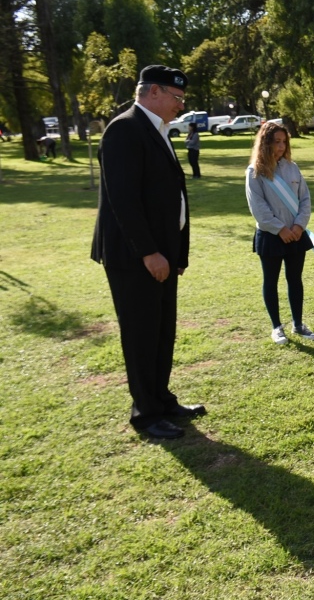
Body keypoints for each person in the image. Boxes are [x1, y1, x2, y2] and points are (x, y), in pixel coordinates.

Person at [90, 64, 205, 440]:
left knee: (162, 331)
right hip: (135, 257)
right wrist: (150, 253)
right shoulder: (124, 129)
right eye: (177, 97)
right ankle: (146, 413)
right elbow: (124, 202)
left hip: (162, 255)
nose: (180, 105)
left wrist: (177, 254)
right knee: (141, 334)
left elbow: (171, 195)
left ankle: (161, 399)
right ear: (153, 92)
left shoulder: (156, 129)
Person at [246, 121, 314, 345]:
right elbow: (258, 207)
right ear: (265, 143)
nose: (281, 146)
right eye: (276, 142)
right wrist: (280, 229)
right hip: (271, 236)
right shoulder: (254, 172)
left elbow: (305, 199)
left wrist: (298, 226)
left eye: (284, 142)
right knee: (271, 281)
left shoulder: (292, 167)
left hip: (296, 234)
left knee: (295, 280)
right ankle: (277, 327)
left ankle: (298, 324)